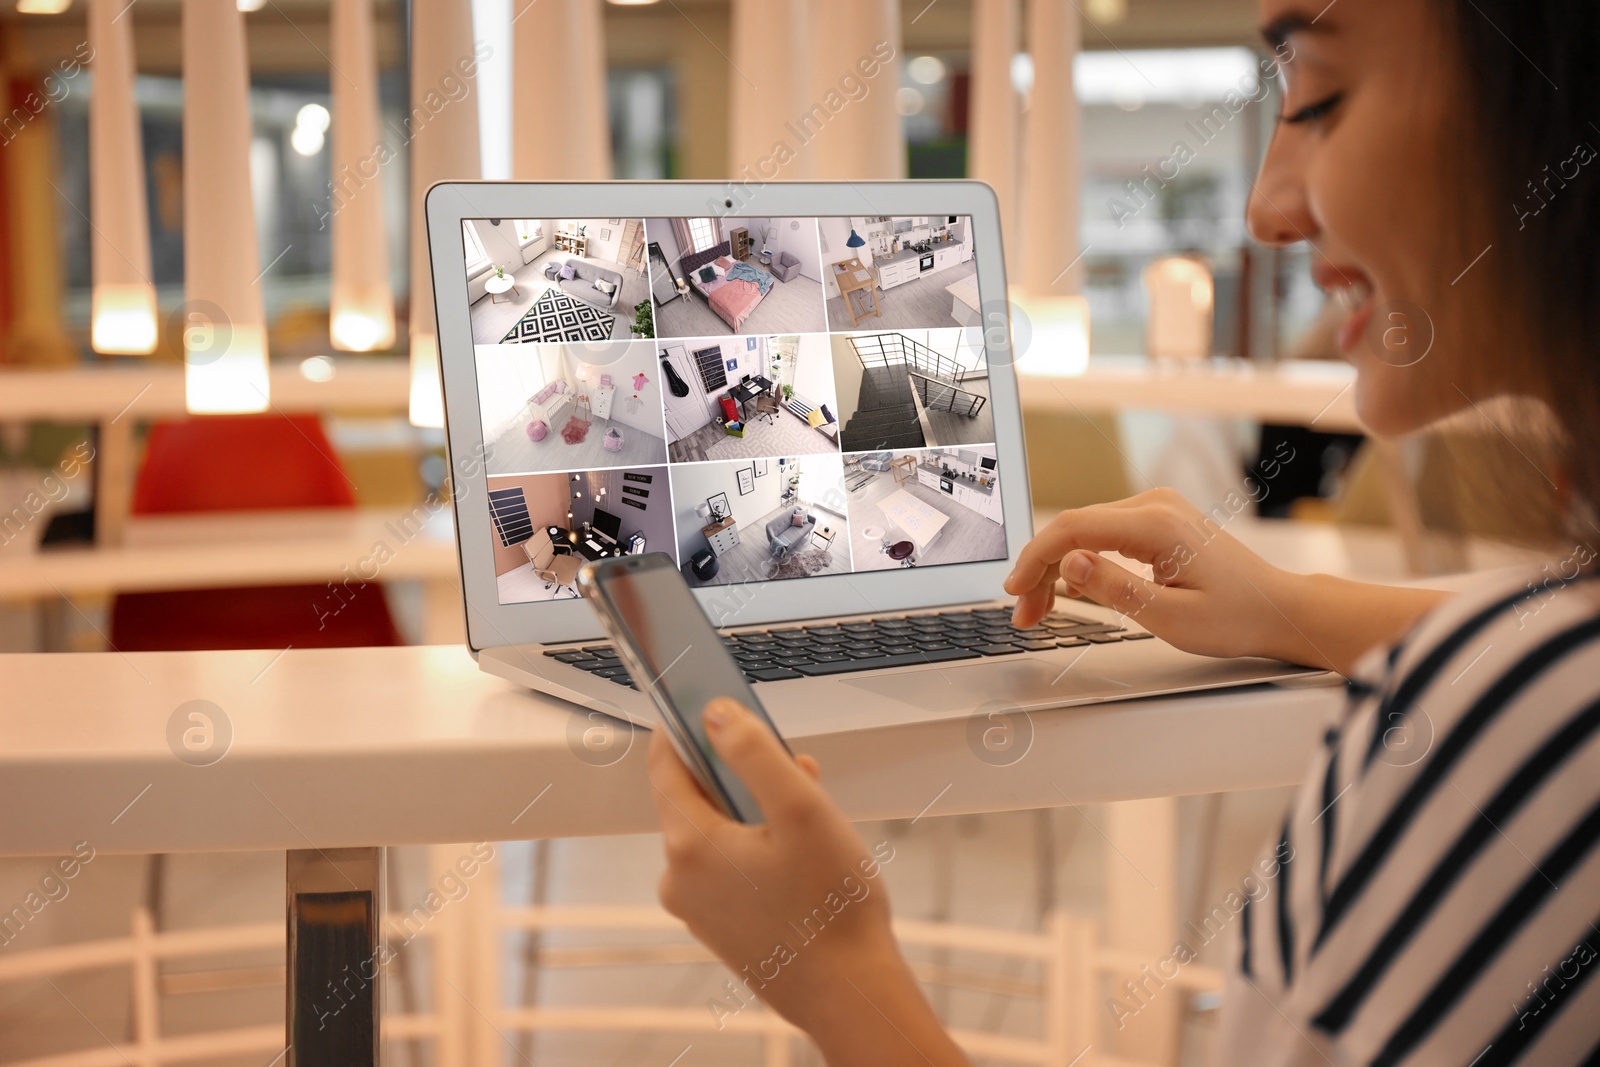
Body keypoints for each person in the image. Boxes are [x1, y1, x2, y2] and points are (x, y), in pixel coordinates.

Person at [646, 0, 1600, 1062]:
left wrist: (836, 974)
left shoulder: (1521, 741)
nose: (1265, 209)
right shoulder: (1523, 691)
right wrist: (1283, 607)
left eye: (1321, 98)